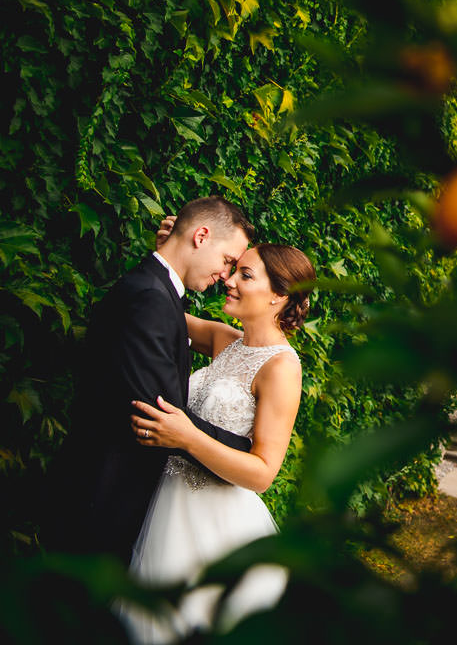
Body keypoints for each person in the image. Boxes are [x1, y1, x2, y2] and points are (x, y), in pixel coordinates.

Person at [122, 220, 315, 643]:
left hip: (216, 523)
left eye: (245, 274)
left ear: (279, 296)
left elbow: (263, 473)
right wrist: (171, 251)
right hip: (166, 504)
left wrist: (187, 437)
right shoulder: (224, 341)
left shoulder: (282, 368)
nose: (228, 280)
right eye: (232, 270)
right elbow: (159, 304)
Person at [47, 196, 256, 564]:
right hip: (102, 495)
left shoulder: (156, 290)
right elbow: (160, 412)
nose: (226, 276)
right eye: (227, 261)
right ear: (201, 236)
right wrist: (243, 450)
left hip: (106, 492)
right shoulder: (151, 298)